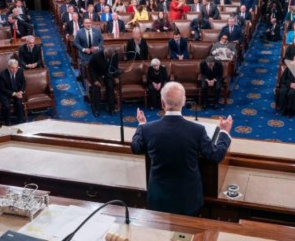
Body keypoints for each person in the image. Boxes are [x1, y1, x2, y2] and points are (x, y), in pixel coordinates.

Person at [131, 81, 232, 216]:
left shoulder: (147, 130)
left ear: (162, 103)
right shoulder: (197, 130)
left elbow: (136, 147)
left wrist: (141, 125)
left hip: (159, 198)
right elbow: (216, 155)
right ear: (183, 102)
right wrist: (224, 132)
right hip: (188, 199)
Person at [88, 48, 119, 117]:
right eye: (108, 57)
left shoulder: (115, 55)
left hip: (107, 74)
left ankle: (111, 108)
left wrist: (116, 76)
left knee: (110, 86)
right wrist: (95, 80)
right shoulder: (96, 56)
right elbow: (91, 68)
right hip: (97, 74)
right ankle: (96, 109)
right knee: (96, 88)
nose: (110, 58)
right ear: (105, 54)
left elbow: (115, 66)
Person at [0, 59, 26, 125]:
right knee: (6, 106)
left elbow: (23, 82)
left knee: (19, 103)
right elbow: (2, 88)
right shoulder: (2, 75)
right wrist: (14, 94)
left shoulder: (20, 71)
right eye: (12, 68)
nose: (15, 70)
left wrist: (21, 91)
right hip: (5, 93)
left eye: (16, 68)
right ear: (8, 67)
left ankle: (20, 122)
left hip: (16, 91)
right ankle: (7, 122)